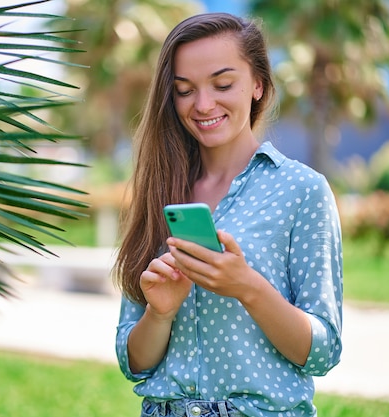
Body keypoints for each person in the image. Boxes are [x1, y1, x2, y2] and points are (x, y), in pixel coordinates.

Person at [112, 12, 343, 417]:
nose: (203, 105)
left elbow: (321, 351)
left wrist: (247, 287)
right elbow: (134, 363)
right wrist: (160, 312)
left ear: (257, 84)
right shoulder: (161, 191)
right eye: (184, 90)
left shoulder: (301, 190)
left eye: (222, 84)